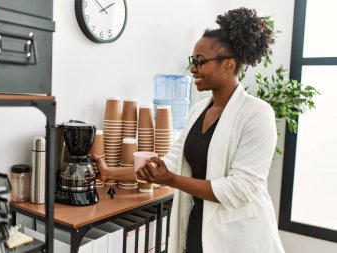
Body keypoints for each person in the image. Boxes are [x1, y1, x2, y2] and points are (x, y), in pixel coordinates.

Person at [94, 7, 285, 253]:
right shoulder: (197, 110)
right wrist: (110, 172)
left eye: (200, 62)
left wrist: (171, 180)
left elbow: (240, 190)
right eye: (193, 61)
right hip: (196, 230)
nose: (193, 68)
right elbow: (171, 163)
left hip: (239, 239)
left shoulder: (257, 114)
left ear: (229, 65)